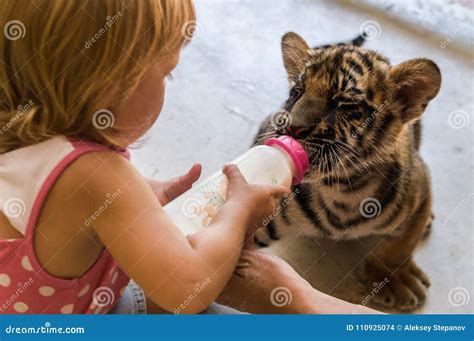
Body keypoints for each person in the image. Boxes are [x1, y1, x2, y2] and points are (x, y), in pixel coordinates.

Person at [0, 0, 289, 314]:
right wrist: (238, 209)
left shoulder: (21, 132)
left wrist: (147, 194)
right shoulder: (98, 175)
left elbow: (62, 205)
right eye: (168, 74)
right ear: (109, 84)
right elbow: (188, 289)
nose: (168, 85)